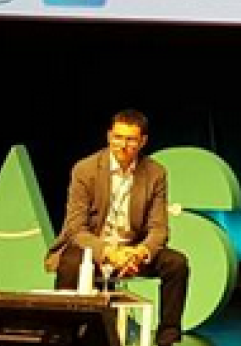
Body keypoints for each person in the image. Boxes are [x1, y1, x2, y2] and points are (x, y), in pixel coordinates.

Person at [46, 109, 189, 345]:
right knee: (70, 262)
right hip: (93, 248)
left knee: (176, 263)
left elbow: (159, 228)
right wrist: (108, 253)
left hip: (132, 250)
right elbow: (76, 228)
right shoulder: (85, 170)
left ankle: (168, 338)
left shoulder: (155, 173)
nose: (123, 145)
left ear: (143, 142)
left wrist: (139, 252)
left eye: (131, 139)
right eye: (118, 137)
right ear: (108, 136)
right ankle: (64, 335)